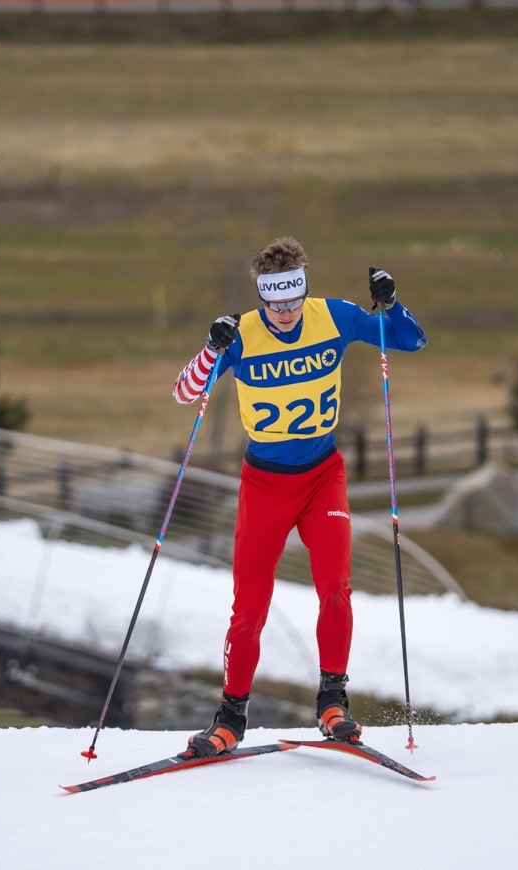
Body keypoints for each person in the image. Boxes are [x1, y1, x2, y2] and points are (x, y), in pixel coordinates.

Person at [171, 236, 427, 757]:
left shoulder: (333, 317)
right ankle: (230, 718)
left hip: (322, 476)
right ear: (261, 297)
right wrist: (212, 349)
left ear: (304, 290)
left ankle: (333, 702)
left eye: (293, 301)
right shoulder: (241, 334)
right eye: (275, 304)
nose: (285, 314)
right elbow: (185, 392)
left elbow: (409, 340)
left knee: (335, 586)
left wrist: (391, 303)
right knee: (249, 608)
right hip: (264, 485)